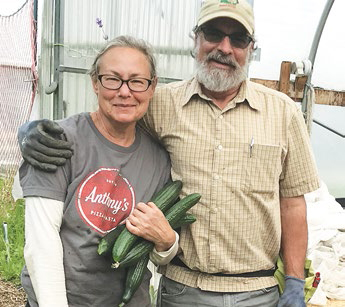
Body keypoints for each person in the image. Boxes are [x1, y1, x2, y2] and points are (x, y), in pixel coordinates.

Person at [18, 0, 320, 306]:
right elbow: (109, 118)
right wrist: (32, 130)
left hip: (258, 289)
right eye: (213, 33)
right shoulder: (162, 104)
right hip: (184, 289)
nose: (225, 48)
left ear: (251, 48)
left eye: (238, 39)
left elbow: (293, 203)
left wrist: (294, 280)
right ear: (196, 40)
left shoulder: (282, 112)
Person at [19, 35, 180, 307]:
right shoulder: (54, 142)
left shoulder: (160, 159)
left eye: (137, 81)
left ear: (152, 88)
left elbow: (154, 254)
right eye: (112, 79)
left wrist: (168, 242)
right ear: (95, 82)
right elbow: (40, 245)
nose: (125, 92)